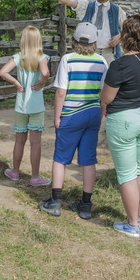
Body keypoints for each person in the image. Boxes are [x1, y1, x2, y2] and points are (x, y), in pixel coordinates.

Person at [39, 22, 108, 219]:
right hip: (92, 113)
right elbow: (104, 92)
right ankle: (86, 204)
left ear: (74, 40)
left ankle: (55, 201)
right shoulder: (102, 62)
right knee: (88, 160)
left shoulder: (67, 60)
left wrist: (57, 117)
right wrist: (102, 110)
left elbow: (61, 92)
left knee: (61, 158)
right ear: (95, 41)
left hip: (71, 113)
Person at [100, 15, 140, 238]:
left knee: (126, 175)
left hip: (124, 120)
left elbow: (106, 98)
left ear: (124, 36)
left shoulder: (119, 65)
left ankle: (132, 224)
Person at [0, 26, 51, 186]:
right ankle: (35, 176)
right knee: (35, 143)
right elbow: (46, 73)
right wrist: (42, 83)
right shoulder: (42, 57)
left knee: (19, 141)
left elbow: (3, 72)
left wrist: (16, 82)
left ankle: (14, 172)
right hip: (36, 107)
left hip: (21, 106)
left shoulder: (18, 57)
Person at [39, 0, 124, 60]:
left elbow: (127, 28)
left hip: (110, 54)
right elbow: (69, 1)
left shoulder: (117, 10)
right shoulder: (86, 6)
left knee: (109, 76)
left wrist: (119, 36)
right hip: (89, 52)